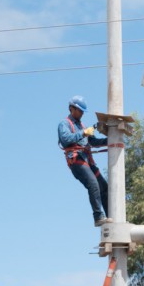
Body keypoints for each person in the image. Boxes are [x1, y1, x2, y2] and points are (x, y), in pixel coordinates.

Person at [59, 96, 110, 226]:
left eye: (82, 111)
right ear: (71, 109)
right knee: (93, 184)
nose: (81, 113)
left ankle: (111, 217)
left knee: (104, 187)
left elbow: (93, 142)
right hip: (76, 160)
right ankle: (99, 217)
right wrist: (83, 133)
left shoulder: (82, 126)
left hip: (88, 160)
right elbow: (66, 140)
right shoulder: (64, 124)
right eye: (79, 110)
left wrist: (109, 141)